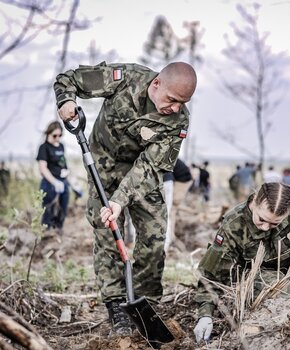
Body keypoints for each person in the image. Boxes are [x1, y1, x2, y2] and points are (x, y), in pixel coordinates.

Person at [54, 61, 197, 336]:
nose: (176, 107)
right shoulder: (124, 78)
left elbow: (150, 166)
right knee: (107, 234)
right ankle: (116, 303)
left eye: (183, 102)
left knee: (154, 237)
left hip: (142, 177)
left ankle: (147, 304)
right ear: (156, 84)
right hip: (103, 170)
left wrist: (120, 201)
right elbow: (68, 79)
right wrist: (66, 100)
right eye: (172, 99)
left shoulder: (177, 121)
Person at [193, 182, 290, 343]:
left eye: (275, 223)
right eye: (262, 219)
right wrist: (205, 315)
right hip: (258, 281)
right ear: (254, 202)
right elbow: (210, 275)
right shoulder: (234, 224)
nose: (266, 227)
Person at [36, 121, 70, 235]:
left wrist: (67, 173)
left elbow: (63, 163)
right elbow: (43, 168)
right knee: (48, 212)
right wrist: (54, 182)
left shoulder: (61, 146)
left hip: (63, 182)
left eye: (60, 135)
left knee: (62, 210)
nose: (57, 138)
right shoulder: (44, 147)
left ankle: (58, 234)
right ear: (48, 133)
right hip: (49, 184)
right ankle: (46, 235)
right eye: (55, 135)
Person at [163, 158, 193, 251]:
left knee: (169, 211)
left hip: (181, 181)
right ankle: (169, 239)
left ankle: (167, 243)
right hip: (173, 179)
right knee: (169, 211)